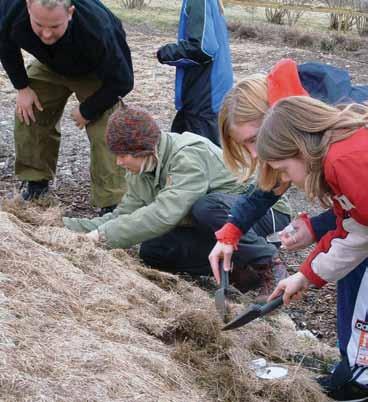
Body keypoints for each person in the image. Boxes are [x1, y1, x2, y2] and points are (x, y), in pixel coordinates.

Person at [63, 103, 286, 293]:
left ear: (145, 149)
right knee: (154, 250)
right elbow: (123, 215)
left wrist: (102, 236)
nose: (119, 162)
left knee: (206, 207)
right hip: (220, 225)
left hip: (264, 210)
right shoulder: (141, 171)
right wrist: (69, 228)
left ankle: (267, 262)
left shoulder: (187, 155)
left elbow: (164, 214)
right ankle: (239, 267)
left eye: (123, 155)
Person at [208, 58, 368, 286]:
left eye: (255, 140)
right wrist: (232, 230)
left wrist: (317, 228)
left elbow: (357, 210)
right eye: (245, 145)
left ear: (274, 119)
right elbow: (356, 217)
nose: (254, 154)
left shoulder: (342, 150)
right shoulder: (309, 138)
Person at [256, 96, 368, 402]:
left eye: (284, 168)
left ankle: (361, 381)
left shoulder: (344, 160)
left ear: (300, 150)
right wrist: (304, 276)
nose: (286, 179)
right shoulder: (340, 156)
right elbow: (355, 232)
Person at [0, 0, 134, 215]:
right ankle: (36, 184)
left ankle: (111, 201)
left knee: (107, 127)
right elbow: (5, 44)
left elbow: (123, 81)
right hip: (49, 65)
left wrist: (88, 110)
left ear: (70, 13)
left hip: (93, 72)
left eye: (54, 27)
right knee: (29, 112)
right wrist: (22, 87)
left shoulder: (98, 30)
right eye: (39, 25)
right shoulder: (10, 8)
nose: (45, 34)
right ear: (27, 6)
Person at [156, 0, 233, 147]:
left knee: (200, 159)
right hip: (210, 95)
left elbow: (203, 49)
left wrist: (166, 53)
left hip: (203, 98)